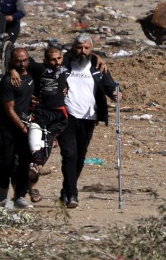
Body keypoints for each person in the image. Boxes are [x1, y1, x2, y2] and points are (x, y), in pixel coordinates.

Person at [56, 33, 120, 208]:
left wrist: (115, 94)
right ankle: (73, 194)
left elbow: (109, 86)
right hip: (66, 117)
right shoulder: (63, 63)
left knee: (80, 157)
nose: (82, 51)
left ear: (91, 49)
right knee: (69, 155)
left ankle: (66, 191)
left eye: (86, 48)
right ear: (73, 47)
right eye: (79, 47)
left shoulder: (97, 67)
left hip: (89, 118)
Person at [0, 47, 36, 209]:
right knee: (7, 162)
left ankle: (20, 196)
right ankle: (3, 189)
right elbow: (9, 110)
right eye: (18, 61)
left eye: (25, 60)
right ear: (11, 62)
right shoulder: (8, 82)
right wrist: (23, 129)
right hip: (7, 126)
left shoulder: (32, 71)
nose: (23, 64)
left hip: (25, 124)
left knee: (24, 163)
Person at [26, 45, 70, 203]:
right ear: (45, 60)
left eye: (59, 58)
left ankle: (34, 175)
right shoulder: (39, 69)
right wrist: (13, 71)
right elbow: (21, 63)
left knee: (45, 147)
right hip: (39, 112)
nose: (57, 62)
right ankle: (29, 186)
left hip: (58, 114)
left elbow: (85, 59)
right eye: (53, 59)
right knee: (34, 141)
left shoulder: (66, 70)